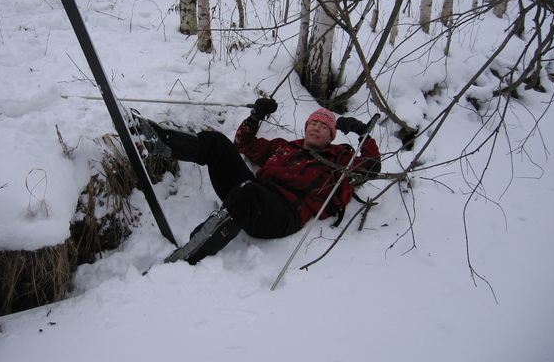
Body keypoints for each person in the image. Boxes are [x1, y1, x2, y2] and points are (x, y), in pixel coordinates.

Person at [142, 98, 381, 265]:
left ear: (331, 136)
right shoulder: (284, 147)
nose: (316, 128)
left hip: (285, 213)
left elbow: (369, 170)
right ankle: (153, 139)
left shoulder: (339, 160)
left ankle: (190, 254)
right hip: (252, 194)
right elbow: (243, 145)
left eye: (323, 127)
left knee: (249, 191)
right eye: (313, 124)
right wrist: (255, 117)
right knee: (217, 143)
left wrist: (364, 134)